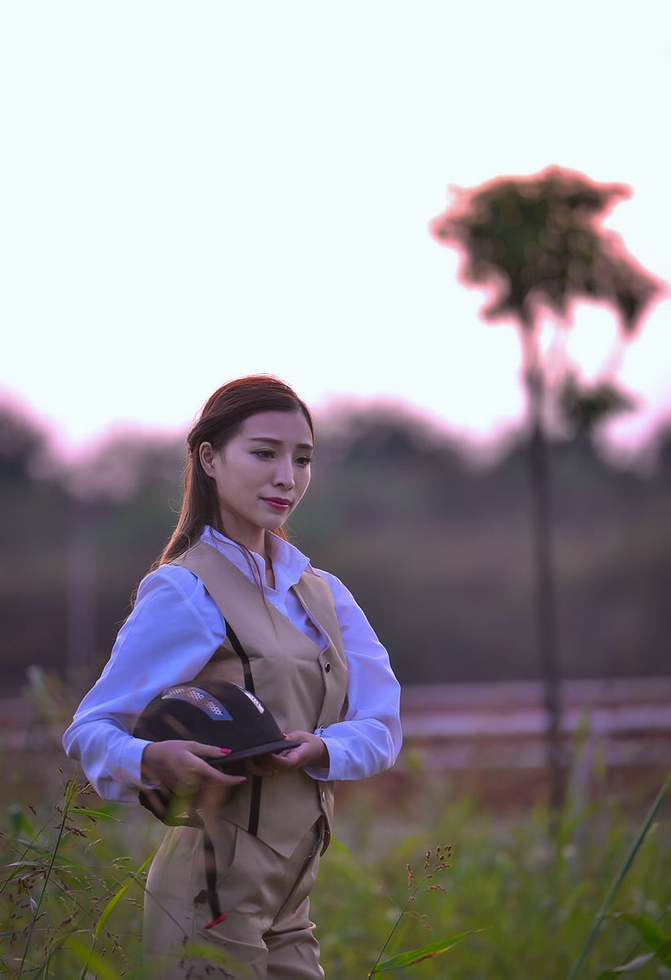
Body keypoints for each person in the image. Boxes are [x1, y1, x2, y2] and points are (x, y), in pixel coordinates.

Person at [63, 375, 402, 980]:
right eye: (265, 453)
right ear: (210, 459)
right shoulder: (184, 589)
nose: (287, 477)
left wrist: (322, 747)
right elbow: (91, 728)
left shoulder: (324, 593)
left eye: (302, 459)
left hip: (292, 904)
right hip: (206, 899)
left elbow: (381, 725)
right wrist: (150, 758)